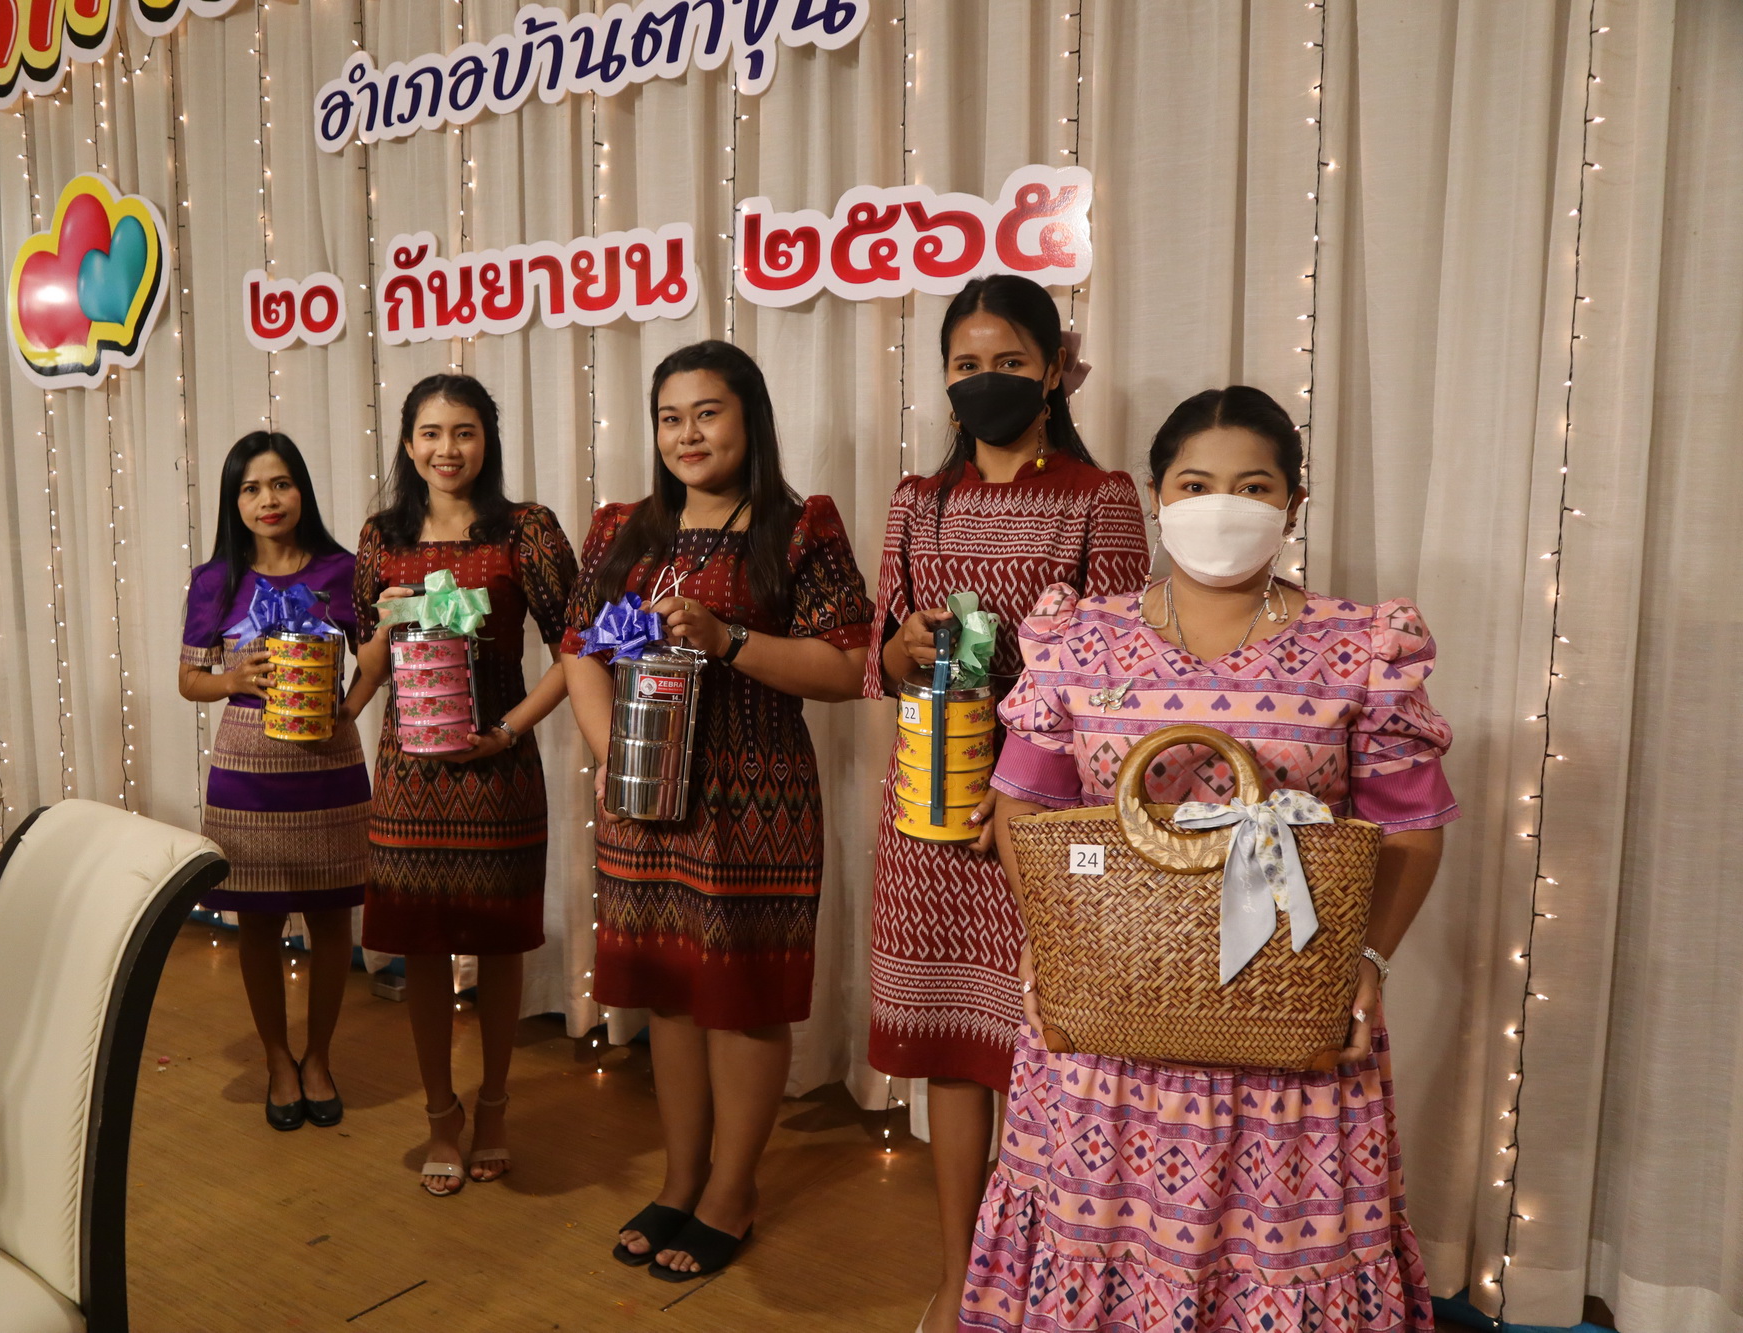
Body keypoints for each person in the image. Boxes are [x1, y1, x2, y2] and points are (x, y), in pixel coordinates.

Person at [963, 385, 1456, 1332]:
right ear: (1158, 496)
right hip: (1107, 1019)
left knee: (1279, 1251)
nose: (1222, 505)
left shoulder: (1360, 646)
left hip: (1289, 1013)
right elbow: (1026, 803)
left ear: (1292, 503)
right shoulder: (1079, 636)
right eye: (1195, 483)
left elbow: (1411, 829)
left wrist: (1367, 960)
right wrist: (1052, 940)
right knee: (1094, 1234)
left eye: (1252, 485)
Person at [864, 275, 1148, 1330]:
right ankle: (958, 1278)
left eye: (1010, 363)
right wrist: (901, 648)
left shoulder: (1099, 496)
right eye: (966, 365)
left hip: (1043, 822)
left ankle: (1048, 1284)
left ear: (1055, 369)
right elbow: (879, 655)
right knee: (950, 1053)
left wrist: (1031, 793)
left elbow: (1120, 673)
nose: (987, 381)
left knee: (1049, 1052)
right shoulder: (915, 499)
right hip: (927, 812)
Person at [560, 340, 874, 1282]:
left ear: (750, 419)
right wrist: (614, 754)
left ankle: (732, 1192)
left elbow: (848, 667)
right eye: (671, 417)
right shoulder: (622, 528)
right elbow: (579, 648)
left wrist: (730, 637)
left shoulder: (799, 527)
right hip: (647, 801)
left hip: (756, 799)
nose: (687, 434)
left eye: (707, 413)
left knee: (740, 1001)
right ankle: (680, 1179)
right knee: (668, 992)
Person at [341, 375, 576, 1197]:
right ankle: (442, 1112)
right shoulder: (382, 538)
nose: (448, 449)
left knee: (501, 943)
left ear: (488, 440)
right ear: (409, 444)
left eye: (465, 432)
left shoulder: (527, 530)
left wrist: (509, 727)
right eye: (432, 433)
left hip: (499, 766)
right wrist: (385, 622)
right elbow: (369, 661)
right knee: (423, 945)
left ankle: (496, 1104)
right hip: (410, 771)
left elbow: (577, 650)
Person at [178, 431, 369, 1132]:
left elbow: (375, 653)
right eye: (252, 487)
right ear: (235, 502)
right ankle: (277, 1060)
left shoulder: (342, 570)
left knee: (331, 920)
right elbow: (188, 678)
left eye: (281, 483)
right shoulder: (215, 579)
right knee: (256, 922)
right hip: (247, 771)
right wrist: (232, 677)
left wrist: (351, 706)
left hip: (328, 764)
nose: (268, 498)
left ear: (301, 491)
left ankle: (319, 1057)